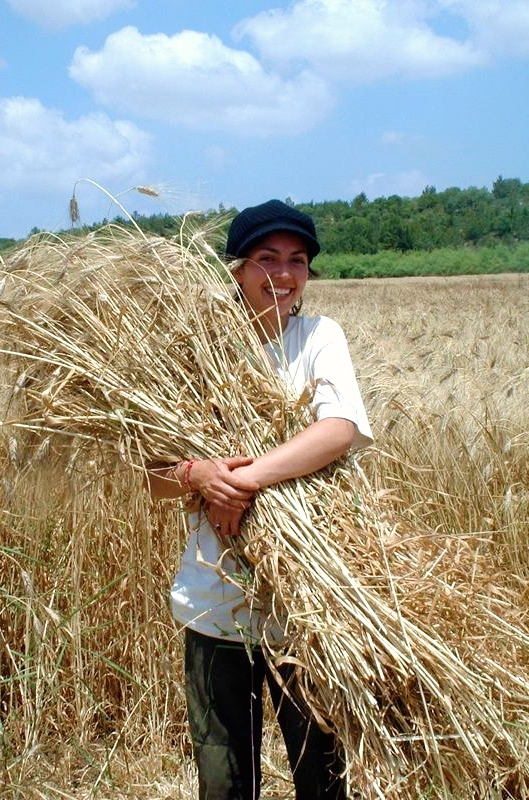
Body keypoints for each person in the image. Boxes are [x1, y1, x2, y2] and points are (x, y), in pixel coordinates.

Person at [147, 199, 373, 799]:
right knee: (224, 781)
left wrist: (242, 479)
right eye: (266, 258)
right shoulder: (193, 353)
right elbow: (153, 476)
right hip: (212, 602)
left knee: (321, 777)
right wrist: (199, 473)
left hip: (306, 609)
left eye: (297, 260)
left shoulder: (318, 337)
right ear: (236, 269)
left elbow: (338, 430)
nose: (283, 274)